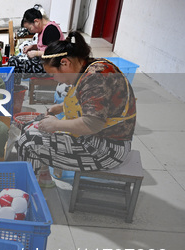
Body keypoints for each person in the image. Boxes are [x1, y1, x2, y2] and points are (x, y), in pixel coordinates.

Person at [16, 32, 136, 188]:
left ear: (65, 63)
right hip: (98, 137)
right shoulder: (90, 66)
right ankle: (43, 177)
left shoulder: (95, 77)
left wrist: (56, 125)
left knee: (28, 142)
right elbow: (92, 103)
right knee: (34, 125)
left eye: (53, 74)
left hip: (106, 149)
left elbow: (93, 124)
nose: (53, 79)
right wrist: (61, 107)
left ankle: (26, 192)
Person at [8, 6, 65, 80]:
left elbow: (54, 53)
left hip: (51, 67)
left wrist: (36, 53)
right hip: (44, 61)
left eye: (30, 28)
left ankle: (15, 88)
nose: (30, 31)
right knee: (12, 59)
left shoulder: (51, 30)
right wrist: (32, 47)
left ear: (36, 22)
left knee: (15, 64)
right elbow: (45, 46)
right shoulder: (43, 29)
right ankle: (16, 87)